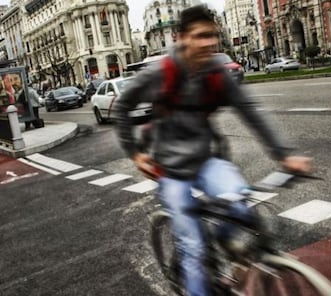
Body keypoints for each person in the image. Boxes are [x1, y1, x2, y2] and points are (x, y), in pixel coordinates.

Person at [114, 5, 311, 296]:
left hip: (208, 162)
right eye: (201, 36)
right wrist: (135, 152)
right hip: (171, 172)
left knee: (240, 205)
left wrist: (285, 154)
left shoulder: (216, 72)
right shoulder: (160, 72)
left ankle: (226, 250)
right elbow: (122, 106)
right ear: (181, 37)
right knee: (192, 248)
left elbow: (250, 111)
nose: (210, 43)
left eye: (213, 36)